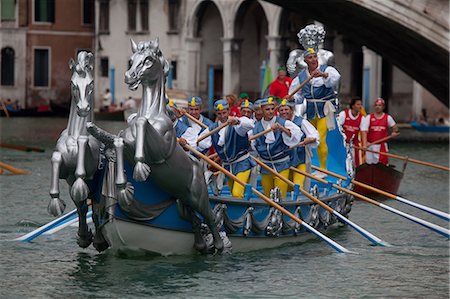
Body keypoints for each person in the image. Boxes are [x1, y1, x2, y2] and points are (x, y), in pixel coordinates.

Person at [288, 47, 340, 171]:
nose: (313, 60)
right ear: (305, 60)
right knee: (308, 139)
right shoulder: (301, 77)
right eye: (310, 57)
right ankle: (307, 166)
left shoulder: (327, 69)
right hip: (311, 112)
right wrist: (291, 99)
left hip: (325, 111)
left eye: (315, 57)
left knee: (320, 138)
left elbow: (334, 79)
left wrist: (323, 75)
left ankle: (323, 169)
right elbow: (299, 98)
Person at [198, 100, 255, 198]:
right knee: (233, 194)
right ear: (216, 113)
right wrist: (186, 143)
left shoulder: (237, 125)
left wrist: (237, 121)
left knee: (237, 194)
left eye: (224, 113)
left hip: (242, 163)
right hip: (228, 167)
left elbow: (250, 124)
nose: (222, 116)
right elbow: (200, 143)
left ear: (228, 111)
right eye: (219, 113)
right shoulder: (212, 128)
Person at [252, 97, 301, 198]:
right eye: (267, 109)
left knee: (279, 195)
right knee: (267, 196)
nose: (270, 112)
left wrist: (281, 128)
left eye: (272, 109)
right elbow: (252, 144)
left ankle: (281, 212)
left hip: (281, 164)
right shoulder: (256, 126)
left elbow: (296, 135)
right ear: (261, 110)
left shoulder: (283, 122)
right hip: (265, 166)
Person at [278, 99, 319, 188]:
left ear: (291, 110)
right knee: (286, 186)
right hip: (284, 160)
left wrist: (310, 139)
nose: (284, 112)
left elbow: (314, 134)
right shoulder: (277, 124)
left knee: (298, 185)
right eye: (281, 110)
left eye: (286, 109)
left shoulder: (301, 121)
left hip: (300, 157)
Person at [361, 98, 400, 165]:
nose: (377, 107)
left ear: (383, 107)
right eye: (376, 105)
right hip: (370, 145)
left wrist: (394, 133)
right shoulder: (369, 117)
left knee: (382, 164)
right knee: (369, 164)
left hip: (381, 147)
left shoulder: (388, 118)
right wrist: (364, 144)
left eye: (379, 105)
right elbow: (364, 131)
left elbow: (395, 129)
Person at [338, 97, 365, 167]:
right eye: (358, 104)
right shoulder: (343, 114)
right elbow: (338, 129)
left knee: (357, 164)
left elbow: (363, 132)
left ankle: (357, 175)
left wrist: (364, 145)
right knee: (341, 162)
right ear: (353, 106)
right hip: (343, 143)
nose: (360, 106)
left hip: (354, 145)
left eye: (361, 104)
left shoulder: (362, 118)